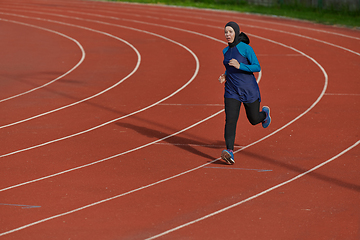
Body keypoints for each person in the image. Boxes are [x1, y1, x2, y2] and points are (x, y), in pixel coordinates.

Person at [218, 21, 271, 165]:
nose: (227, 35)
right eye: (225, 32)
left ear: (236, 32)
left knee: (253, 119)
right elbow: (230, 68)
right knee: (230, 120)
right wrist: (225, 75)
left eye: (230, 32)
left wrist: (240, 65)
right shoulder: (225, 51)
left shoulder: (246, 49)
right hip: (231, 90)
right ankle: (229, 151)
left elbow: (257, 67)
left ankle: (264, 114)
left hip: (248, 90)